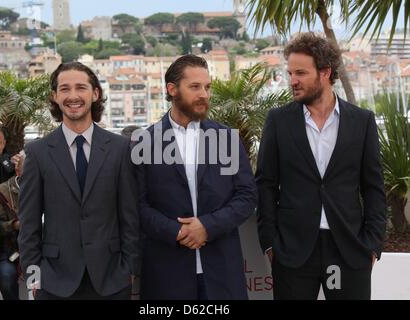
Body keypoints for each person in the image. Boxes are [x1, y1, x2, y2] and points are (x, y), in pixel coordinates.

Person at [255, 33, 387, 300]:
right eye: (290, 72)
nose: (292, 80)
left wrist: (372, 245)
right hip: (293, 250)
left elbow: (373, 187)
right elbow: (265, 184)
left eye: (301, 73)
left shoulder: (361, 121)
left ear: (325, 72)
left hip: (349, 249)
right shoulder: (279, 121)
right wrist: (270, 243)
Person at [135, 54, 257, 299]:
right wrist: (177, 232)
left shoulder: (227, 139)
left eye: (207, 87)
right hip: (167, 276)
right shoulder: (144, 142)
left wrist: (207, 227)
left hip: (223, 274)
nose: (204, 94)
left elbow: (247, 196)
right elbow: (137, 205)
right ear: (172, 89)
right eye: (195, 87)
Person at [18, 62, 141, 300]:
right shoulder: (38, 153)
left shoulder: (120, 149)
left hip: (112, 278)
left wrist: (131, 269)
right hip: (54, 281)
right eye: (64, 89)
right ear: (54, 96)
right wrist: (34, 278)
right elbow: (29, 223)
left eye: (80, 88)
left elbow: (130, 217)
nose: (73, 96)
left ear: (95, 93)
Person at [0, 152, 25, 300]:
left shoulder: (49, 189)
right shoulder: (2, 191)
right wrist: (15, 225)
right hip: (11, 250)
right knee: (6, 277)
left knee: (37, 278)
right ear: (18, 170)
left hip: (40, 250)